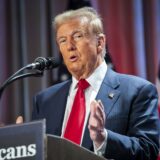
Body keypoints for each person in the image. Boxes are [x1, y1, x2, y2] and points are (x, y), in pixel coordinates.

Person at [32, 7, 159, 160]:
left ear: (100, 43)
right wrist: (20, 141)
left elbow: (148, 150)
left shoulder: (137, 91)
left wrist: (103, 138)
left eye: (77, 36)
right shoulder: (45, 100)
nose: (69, 46)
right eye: (62, 40)